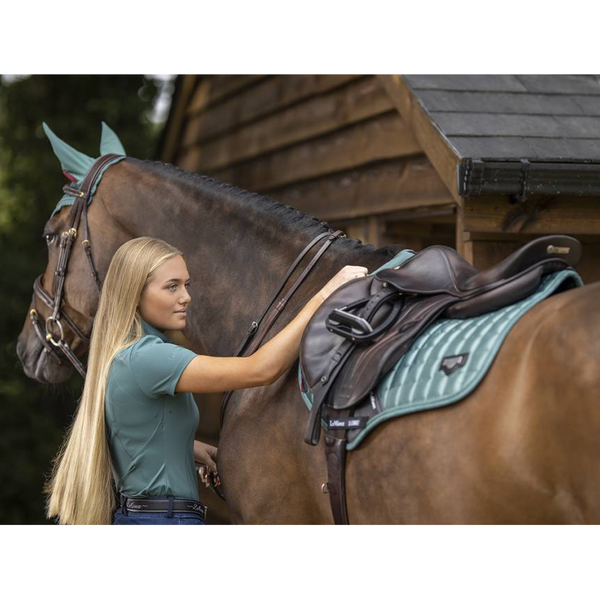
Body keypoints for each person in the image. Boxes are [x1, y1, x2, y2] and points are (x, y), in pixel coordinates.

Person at [43, 237, 367, 527]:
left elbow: (134, 432)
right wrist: (325, 294)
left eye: (187, 284)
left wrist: (187, 448)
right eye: (172, 286)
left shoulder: (125, 356)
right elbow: (260, 369)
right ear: (135, 293)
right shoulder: (148, 359)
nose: (186, 297)